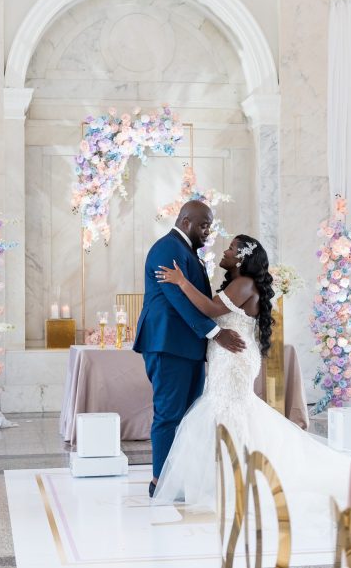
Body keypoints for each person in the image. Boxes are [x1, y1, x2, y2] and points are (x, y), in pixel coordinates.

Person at [152, 234, 349, 513]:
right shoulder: (240, 283)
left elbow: (211, 309)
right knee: (231, 411)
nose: (226, 251)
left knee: (228, 411)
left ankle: (238, 481)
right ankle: (232, 477)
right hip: (228, 355)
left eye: (231, 248)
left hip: (234, 358)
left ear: (242, 258)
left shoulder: (244, 283)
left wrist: (182, 282)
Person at [133, 201, 246, 499]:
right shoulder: (167, 249)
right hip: (168, 344)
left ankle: (178, 477)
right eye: (204, 225)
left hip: (188, 346)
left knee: (188, 415)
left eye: (209, 225)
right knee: (169, 414)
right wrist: (216, 334)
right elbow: (178, 300)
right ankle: (160, 482)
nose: (208, 232)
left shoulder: (187, 252)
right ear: (185, 221)